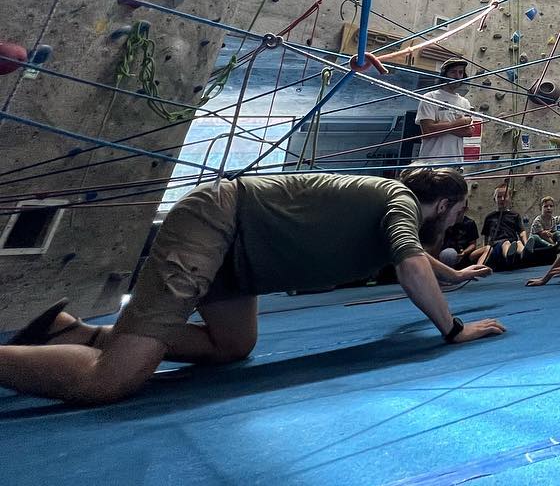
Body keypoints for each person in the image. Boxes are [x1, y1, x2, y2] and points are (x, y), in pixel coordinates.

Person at [1, 167, 505, 405]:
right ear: (441, 205)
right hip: (217, 224)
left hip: (237, 259)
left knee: (233, 345)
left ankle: (71, 332)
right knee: (111, 381)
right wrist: (452, 328)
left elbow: (415, 258)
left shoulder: (392, 214)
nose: (460, 220)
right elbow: (411, 266)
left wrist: (455, 275)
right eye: (459, 211)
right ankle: (91, 351)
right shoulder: (397, 200)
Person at [412, 59, 477, 166]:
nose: (457, 76)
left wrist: (440, 127)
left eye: (460, 72)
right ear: (444, 74)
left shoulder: (465, 102)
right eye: (453, 72)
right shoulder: (430, 97)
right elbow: (428, 130)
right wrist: (458, 123)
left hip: (456, 163)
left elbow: (468, 132)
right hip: (430, 162)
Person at [479, 183, 555, 270]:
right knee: (506, 243)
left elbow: (521, 232)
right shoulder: (489, 217)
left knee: (518, 243)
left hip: (513, 244)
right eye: (499, 197)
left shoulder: (515, 215)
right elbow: (485, 236)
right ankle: (509, 257)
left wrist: (525, 243)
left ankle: (524, 253)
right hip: (497, 245)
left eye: (505, 196)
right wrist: (486, 249)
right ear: (494, 199)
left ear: (510, 198)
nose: (502, 199)